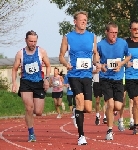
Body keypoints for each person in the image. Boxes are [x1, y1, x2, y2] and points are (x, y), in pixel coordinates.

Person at [59, 11, 100, 145]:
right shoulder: (68, 37)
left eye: (85, 20)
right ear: (74, 21)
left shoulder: (92, 36)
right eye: (81, 20)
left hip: (87, 75)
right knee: (79, 99)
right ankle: (81, 136)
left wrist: (97, 63)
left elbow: (95, 54)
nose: (84, 22)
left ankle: (76, 111)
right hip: (74, 75)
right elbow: (61, 56)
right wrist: (66, 64)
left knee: (88, 108)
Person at [12, 30, 51, 142]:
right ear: (26, 40)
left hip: (38, 82)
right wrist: (14, 83)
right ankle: (31, 133)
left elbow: (48, 66)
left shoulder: (41, 52)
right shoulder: (20, 53)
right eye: (30, 41)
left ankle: (30, 114)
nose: (33, 43)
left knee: (38, 112)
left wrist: (47, 80)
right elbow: (14, 69)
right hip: (26, 83)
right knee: (29, 108)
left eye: (34, 41)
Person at [97, 22, 131, 140]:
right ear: (106, 32)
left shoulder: (123, 43)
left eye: (116, 33)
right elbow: (95, 59)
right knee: (111, 104)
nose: (114, 35)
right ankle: (109, 130)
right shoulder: (100, 44)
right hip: (105, 78)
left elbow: (128, 56)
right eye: (112, 33)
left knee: (118, 105)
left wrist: (121, 63)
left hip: (118, 78)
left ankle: (109, 111)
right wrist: (101, 66)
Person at [125, 20, 138, 134]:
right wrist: (125, 63)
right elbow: (119, 58)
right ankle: (136, 125)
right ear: (130, 30)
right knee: (136, 101)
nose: (137, 31)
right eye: (134, 29)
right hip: (130, 77)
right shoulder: (126, 43)